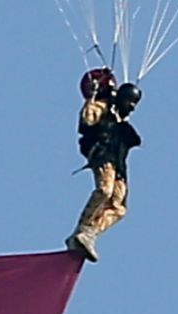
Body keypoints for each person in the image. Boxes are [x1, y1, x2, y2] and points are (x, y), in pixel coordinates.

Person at [66, 68, 143, 263]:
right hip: (104, 156)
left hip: (118, 166)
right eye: (130, 102)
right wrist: (92, 96)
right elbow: (88, 120)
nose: (132, 107)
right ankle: (82, 230)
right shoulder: (100, 108)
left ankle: (90, 233)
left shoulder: (119, 119)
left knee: (119, 208)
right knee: (104, 191)